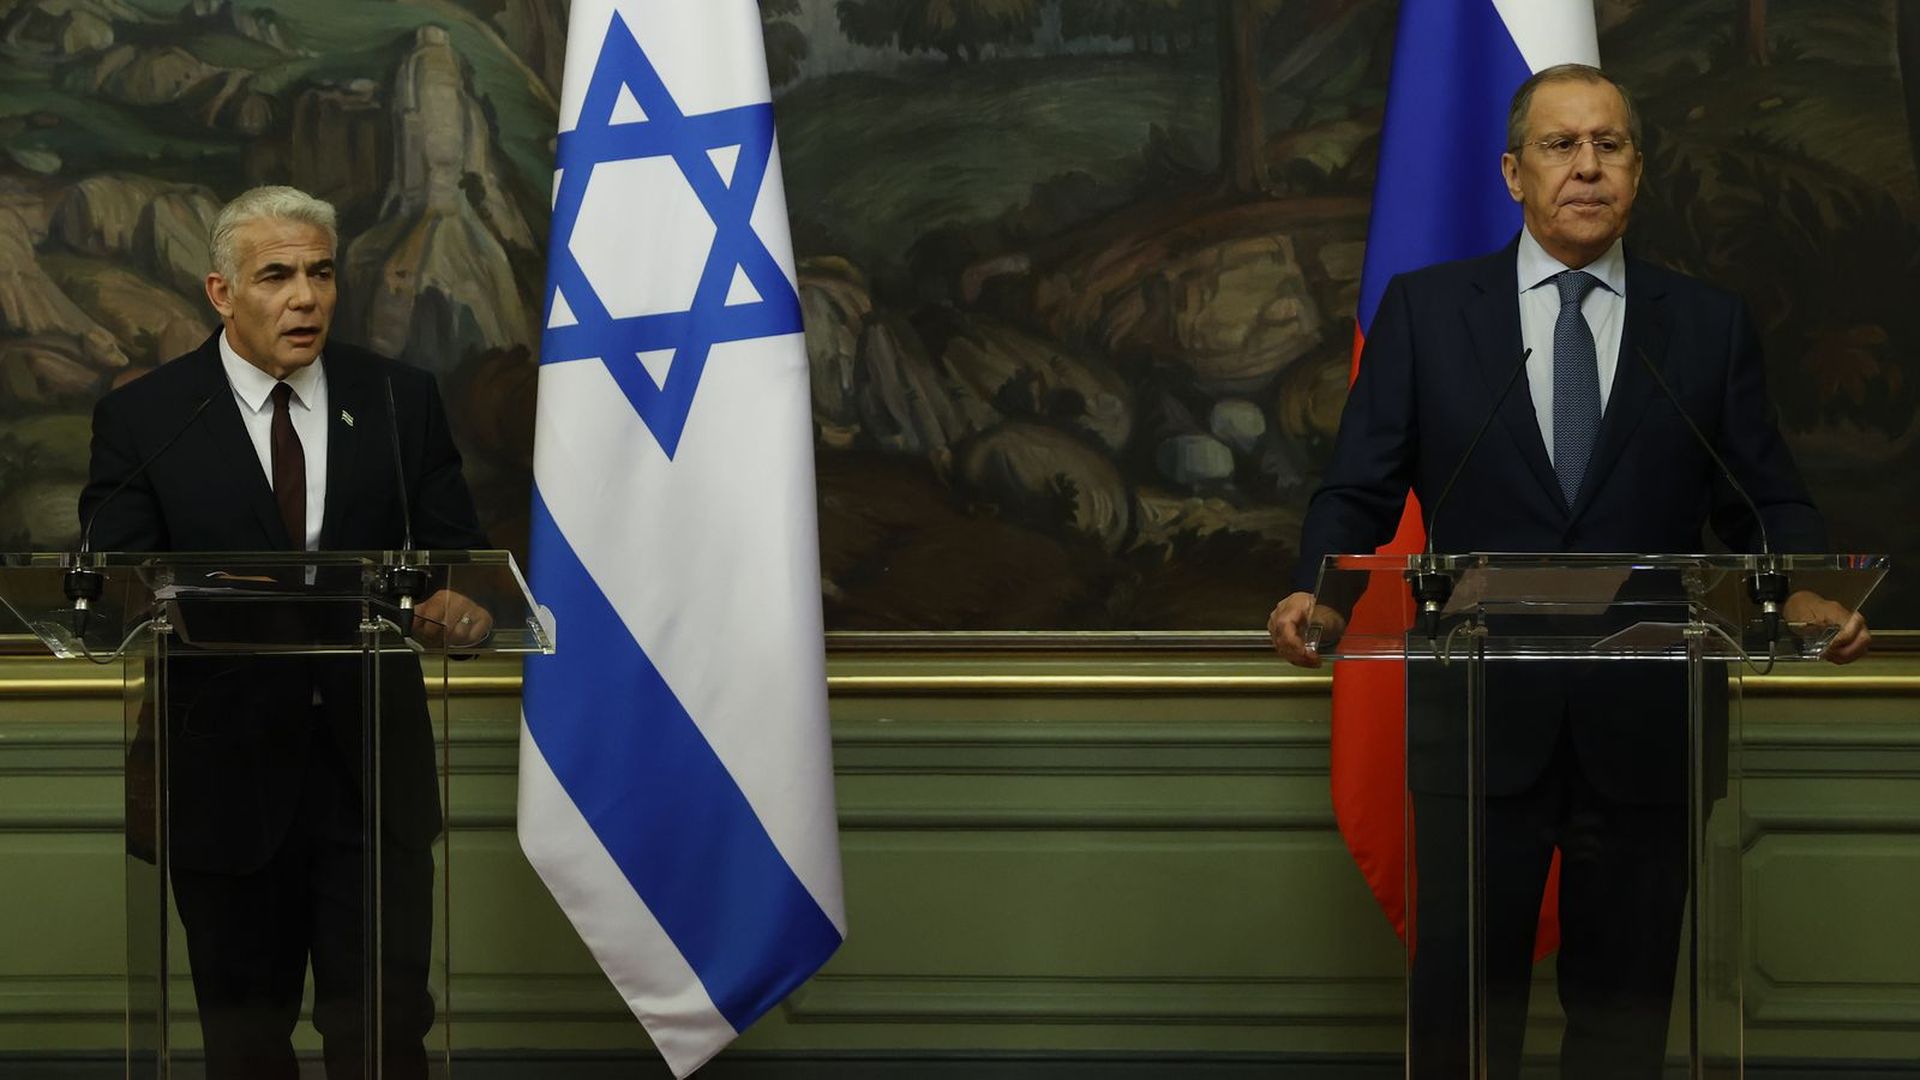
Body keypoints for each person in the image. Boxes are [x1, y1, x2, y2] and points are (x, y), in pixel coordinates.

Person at [1264, 66, 1870, 1079]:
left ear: (1637, 168)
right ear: (1512, 172)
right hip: (1480, 729)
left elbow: (1765, 498)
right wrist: (1317, 595)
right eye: (1560, 145)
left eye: (1611, 144)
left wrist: (1805, 586)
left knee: (1623, 1021)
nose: (1587, 166)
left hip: (1649, 728)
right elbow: (1356, 492)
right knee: (1464, 1012)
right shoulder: (1428, 315)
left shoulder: (1708, 326)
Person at [79, 186, 493, 1079]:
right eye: (277, 276)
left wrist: (459, 603)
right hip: (223, 781)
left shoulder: (398, 400)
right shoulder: (148, 417)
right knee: (244, 1046)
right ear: (222, 294)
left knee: (382, 1039)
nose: (306, 297)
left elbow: (457, 559)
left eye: (320, 272)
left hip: (371, 777)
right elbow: (113, 584)